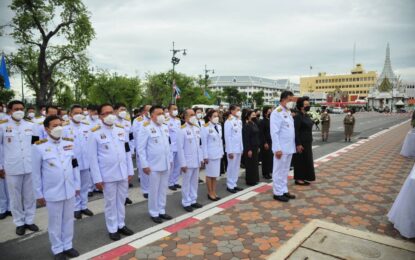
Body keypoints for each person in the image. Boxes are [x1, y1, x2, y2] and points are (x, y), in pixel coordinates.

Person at [32, 115, 81, 260]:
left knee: (68, 219)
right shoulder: (38, 146)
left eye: (60, 124)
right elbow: (35, 173)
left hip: (70, 189)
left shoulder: (69, 143)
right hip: (52, 191)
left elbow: (75, 165)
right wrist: (38, 194)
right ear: (46, 129)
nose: (59, 127)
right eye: (54, 125)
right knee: (55, 222)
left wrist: (77, 185)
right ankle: (57, 249)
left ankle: (68, 245)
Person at [88, 104, 134, 241]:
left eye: (111, 112)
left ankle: (121, 224)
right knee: (110, 203)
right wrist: (97, 179)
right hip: (107, 175)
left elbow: (127, 151)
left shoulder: (120, 130)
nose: (109, 115)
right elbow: (93, 159)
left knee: (121, 201)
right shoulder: (94, 133)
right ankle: (112, 228)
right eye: (105, 113)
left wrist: (130, 170)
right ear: (100, 116)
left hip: (123, 172)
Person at [0, 100, 39, 235]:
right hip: (12, 166)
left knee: (30, 195)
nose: (19, 111)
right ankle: (19, 222)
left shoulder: (31, 125)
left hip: (30, 165)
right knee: (15, 197)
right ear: (9, 111)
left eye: (21, 108)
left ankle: (29, 220)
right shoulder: (2, 126)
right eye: (16, 108)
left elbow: (36, 145)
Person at [136, 106, 173, 224]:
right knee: (154, 190)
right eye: (158, 113)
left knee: (163, 189)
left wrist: (170, 160)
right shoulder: (145, 127)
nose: (162, 115)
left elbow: (168, 146)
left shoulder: (165, 127)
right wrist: (144, 165)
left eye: (162, 113)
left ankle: (161, 210)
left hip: (165, 163)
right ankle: (154, 212)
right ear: (151, 115)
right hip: (153, 165)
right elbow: (140, 149)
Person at [62, 105, 94, 220]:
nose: (78, 115)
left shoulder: (87, 126)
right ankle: (76, 208)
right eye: (76, 113)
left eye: (80, 112)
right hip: (72, 162)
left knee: (85, 185)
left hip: (86, 161)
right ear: (70, 114)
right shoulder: (64, 128)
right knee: (75, 186)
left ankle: (84, 205)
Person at [270, 91, 296, 202]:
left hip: (289, 147)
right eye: (290, 100)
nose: (291, 102)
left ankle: (284, 190)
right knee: (278, 171)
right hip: (281, 148)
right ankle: (277, 192)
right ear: (283, 99)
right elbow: (274, 132)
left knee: (285, 171)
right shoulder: (277, 112)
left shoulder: (288, 111)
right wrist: (277, 149)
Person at [177, 109, 204, 212]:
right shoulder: (182, 129)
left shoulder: (197, 128)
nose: (194, 116)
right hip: (187, 162)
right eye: (191, 115)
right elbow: (180, 148)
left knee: (194, 182)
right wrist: (182, 163)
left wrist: (201, 159)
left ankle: (193, 200)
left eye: (194, 114)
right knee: (186, 182)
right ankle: (186, 201)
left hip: (196, 160)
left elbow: (199, 146)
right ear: (185, 117)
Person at [292, 98, 316, 186]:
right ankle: (298, 179)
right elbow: (295, 131)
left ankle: (304, 177)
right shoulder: (298, 116)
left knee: (307, 160)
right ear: (301, 106)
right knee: (300, 161)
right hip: (301, 142)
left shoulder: (306, 115)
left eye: (308, 104)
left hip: (307, 141)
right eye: (306, 104)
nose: (308, 106)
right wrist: (298, 144)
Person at [114, 103, 134, 204]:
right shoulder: (112, 121)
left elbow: (130, 136)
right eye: (121, 109)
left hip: (126, 148)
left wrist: (132, 148)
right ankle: (119, 197)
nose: (123, 111)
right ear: (115, 111)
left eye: (125, 109)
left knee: (126, 174)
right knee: (118, 174)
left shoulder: (127, 121)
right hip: (117, 150)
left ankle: (125, 196)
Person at [201, 110, 223, 201]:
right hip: (210, 155)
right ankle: (210, 192)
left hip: (217, 154)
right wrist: (205, 156)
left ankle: (214, 191)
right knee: (210, 175)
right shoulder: (205, 127)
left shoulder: (219, 126)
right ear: (209, 118)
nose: (216, 118)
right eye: (214, 116)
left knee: (215, 175)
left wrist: (222, 152)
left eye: (217, 116)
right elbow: (204, 144)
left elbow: (220, 140)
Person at [133, 105, 152, 199]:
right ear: (144, 111)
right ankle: (145, 190)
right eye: (148, 110)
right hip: (142, 148)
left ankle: (151, 187)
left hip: (152, 149)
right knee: (143, 169)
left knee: (152, 170)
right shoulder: (138, 121)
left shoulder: (153, 120)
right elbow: (135, 135)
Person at [224, 105, 244, 193]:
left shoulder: (239, 121)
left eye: (240, 110)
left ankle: (234, 184)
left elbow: (240, 136)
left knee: (236, 167)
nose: (239, 111)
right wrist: (229, 151)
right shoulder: (229, 121)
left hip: (238, 148)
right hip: (232, 149)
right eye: (237, 109)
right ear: (232, 111)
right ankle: (229, 185)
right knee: (231, 167)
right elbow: (227, 137)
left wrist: (242, 148)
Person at [166, 104, 182, 191]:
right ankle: (170, 182)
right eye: (174, 109)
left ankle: (175, 181)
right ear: (169, 111)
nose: (176, 110)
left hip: (178, 146)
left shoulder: (178, 120)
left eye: (176, 109)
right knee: (171, 165)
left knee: (177, 166)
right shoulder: (166, 120)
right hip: (171, 147)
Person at [242, 110, 260, 186]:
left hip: (255, 146)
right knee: (250, 164)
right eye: (252, 115)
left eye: (254, 115)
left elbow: (257, 135)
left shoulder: (254, 124)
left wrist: (258, 146)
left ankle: (255, 179)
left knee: (255, 164)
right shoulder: (247, 125)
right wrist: (248, 149)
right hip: (250, 147)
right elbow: (246, 138)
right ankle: (250, 180)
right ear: (248, 116)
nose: (254, 116)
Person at [259, 106, 273, 180]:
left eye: (271, 111)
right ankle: (265, 173)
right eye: (269, 111)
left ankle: (269, 171)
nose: (270, 112)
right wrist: (265, 142)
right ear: (265, 113)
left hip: (271, 141)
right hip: (265, 142)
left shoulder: (271, 120)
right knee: (265, 158)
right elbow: (261, 133)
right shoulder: (262, 121)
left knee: (270, 158)